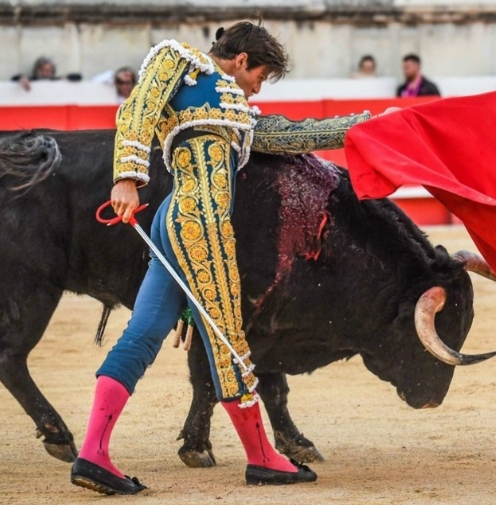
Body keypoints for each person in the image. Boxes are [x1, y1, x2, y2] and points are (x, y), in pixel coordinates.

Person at [70, 21, 396, 495]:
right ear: (242, 59)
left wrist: (366, 125)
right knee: (228, 343)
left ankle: (93, 454)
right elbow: (137, 109)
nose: (258, 87)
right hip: (199, 220)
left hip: (176, 219)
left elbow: (296, 135)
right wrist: (127, 177)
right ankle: (262, 458)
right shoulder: (178, 61)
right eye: (260, 75)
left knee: (144, 333)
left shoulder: (240, 113)